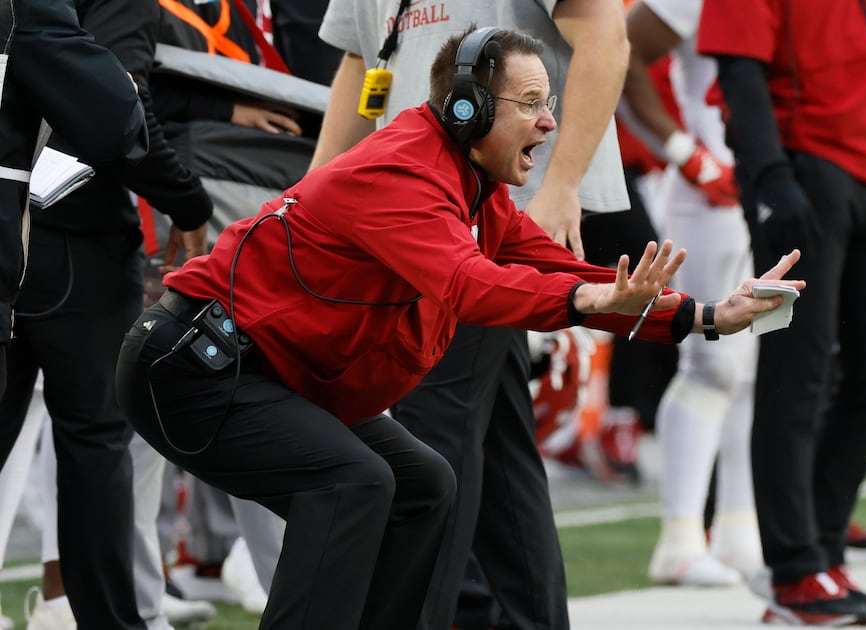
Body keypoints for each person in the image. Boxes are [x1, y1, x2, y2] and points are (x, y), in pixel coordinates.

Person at [115, 27, 806, 629]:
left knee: (422, 483)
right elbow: (470, 285)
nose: (548, 123)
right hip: (194, 368)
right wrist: (589, 303)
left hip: (264, 369)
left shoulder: (471, 186)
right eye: (531, 104)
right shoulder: (403, 174)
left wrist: (709, 315)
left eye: (549, 104)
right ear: (469, 109)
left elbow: (570, 272)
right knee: (355, 482)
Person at [315, 2, 633, 628]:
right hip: (415, 217)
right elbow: (361, 62)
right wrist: (311, 201)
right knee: (492, 444)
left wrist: (563, 184)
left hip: (494, 208)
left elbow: (605, 32)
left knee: (434, 438)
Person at [696, 0, 866, 625]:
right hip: (803, 172)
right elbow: (739, 67)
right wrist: (772, 178)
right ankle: (794, 568)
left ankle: (821, 551)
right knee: (794, 374)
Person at [0, 0, 211, 627]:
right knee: (95, 448)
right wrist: (189, 201)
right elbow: (119, 114)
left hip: (36, 240)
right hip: (71, 248)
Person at [621, 0, 762, 587]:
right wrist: (688, 155)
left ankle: (737, 528)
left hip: (765, 180)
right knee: (710, 365)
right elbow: (621, 56)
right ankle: (679, 536)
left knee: (750, 366)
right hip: (713, 192)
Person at [0, 0, 149, 404]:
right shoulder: (23, 8)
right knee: (95, 431)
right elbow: (115, 116)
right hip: (74, 240)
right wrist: (192, 206)